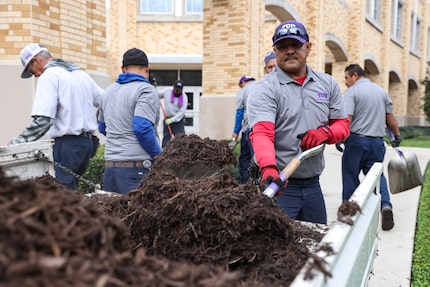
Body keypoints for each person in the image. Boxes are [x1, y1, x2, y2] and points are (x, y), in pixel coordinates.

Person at [247, 20, 350, 224]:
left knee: (317, 245)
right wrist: (268, 168)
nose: (290, 51)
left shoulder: (327, 83)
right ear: (275, 51)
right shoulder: (265, 88)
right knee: (278, 250)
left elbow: (343, 125)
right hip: (282, 187)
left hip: (313, 186)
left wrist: (325, 133)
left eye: (296, 45)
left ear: (308, 47)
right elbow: (262, 133)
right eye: (283, 47)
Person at [11, 43, 103, 190]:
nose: (35, 75)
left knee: (63, 195)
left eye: (32, 71)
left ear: (36, 60)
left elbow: (43, 120)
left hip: (67, 145)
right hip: (87, 145)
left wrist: (17, 143)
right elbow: (105, 102)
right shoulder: (81, 75)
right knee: (71, 191)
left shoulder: (49, 77)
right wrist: (100, 124)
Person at [342, 64, 401, 231]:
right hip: (376, 143)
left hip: (356, 142)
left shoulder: (352, 92)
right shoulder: (381, 91)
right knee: (376, 177)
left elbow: (347, 118)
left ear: (354, 75)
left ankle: (349, 213)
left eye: (346, 78)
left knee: (350, 175)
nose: (346, 82)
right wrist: (396, 136)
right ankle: (385, 206)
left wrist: (342, 137)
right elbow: (390, 117)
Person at [98, 48, 162, 194]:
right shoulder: (145, 90)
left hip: (110, 170)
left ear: (123, 69)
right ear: (147, 69)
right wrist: (159, 157)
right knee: (136, 216)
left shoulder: (108, 91)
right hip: (135, 171)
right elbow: (142, 128)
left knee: (112, 216)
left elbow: (102, 127)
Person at [232, 75, 256, 183]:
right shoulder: (261, 86)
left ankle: (245, 183)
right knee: (258, 156)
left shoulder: (243, 90)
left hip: (249, 128)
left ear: (243, 83)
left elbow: (240, 112)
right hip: (262, 127)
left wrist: (236, 132)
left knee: (245, 157)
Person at [159, 80, 188, 147]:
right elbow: (158, 95)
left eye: (179, 90)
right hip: (167, 119)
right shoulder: (167, 91)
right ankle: (164, 151)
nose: (177, 92)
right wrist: (153, 89)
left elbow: (182, 111)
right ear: (173, 87)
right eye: (176, 90)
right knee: (166, 137)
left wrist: (172, 120)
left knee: (181, 138)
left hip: (178, 120)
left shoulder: (184, 97)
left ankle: (181, 152)